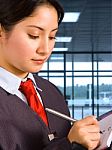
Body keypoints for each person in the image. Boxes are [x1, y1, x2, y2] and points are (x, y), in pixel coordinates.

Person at [0, 0, 100, 149]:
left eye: (52, 37)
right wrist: (68, 144)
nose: (45, 50)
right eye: (34, 35)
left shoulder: (51, 91)